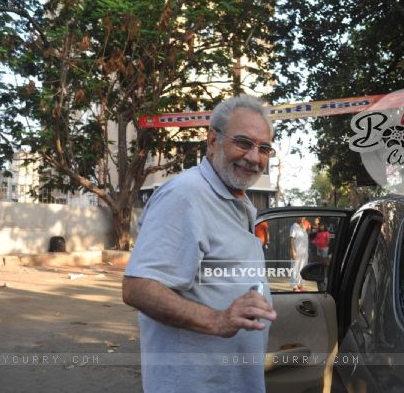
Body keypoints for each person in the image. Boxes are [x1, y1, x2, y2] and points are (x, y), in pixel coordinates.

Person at [122, 95, 278, 393]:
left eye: (264, 148)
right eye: (243, 143)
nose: (254, 157)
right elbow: (138, 287)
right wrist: (218, 320)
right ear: (212, 141)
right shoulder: (185, 196)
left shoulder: (236, 200)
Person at [289, 217, 309, 291]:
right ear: (296, 217)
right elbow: (291, 239)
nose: (301, 218)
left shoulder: (303, 227)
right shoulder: (294, 226)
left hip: (304, 253)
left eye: (303, 217)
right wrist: (293, 251)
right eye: (300, 217)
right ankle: (294, 286)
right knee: (295, 268)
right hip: (297, 251)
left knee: (302, 268)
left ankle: (300, 285)